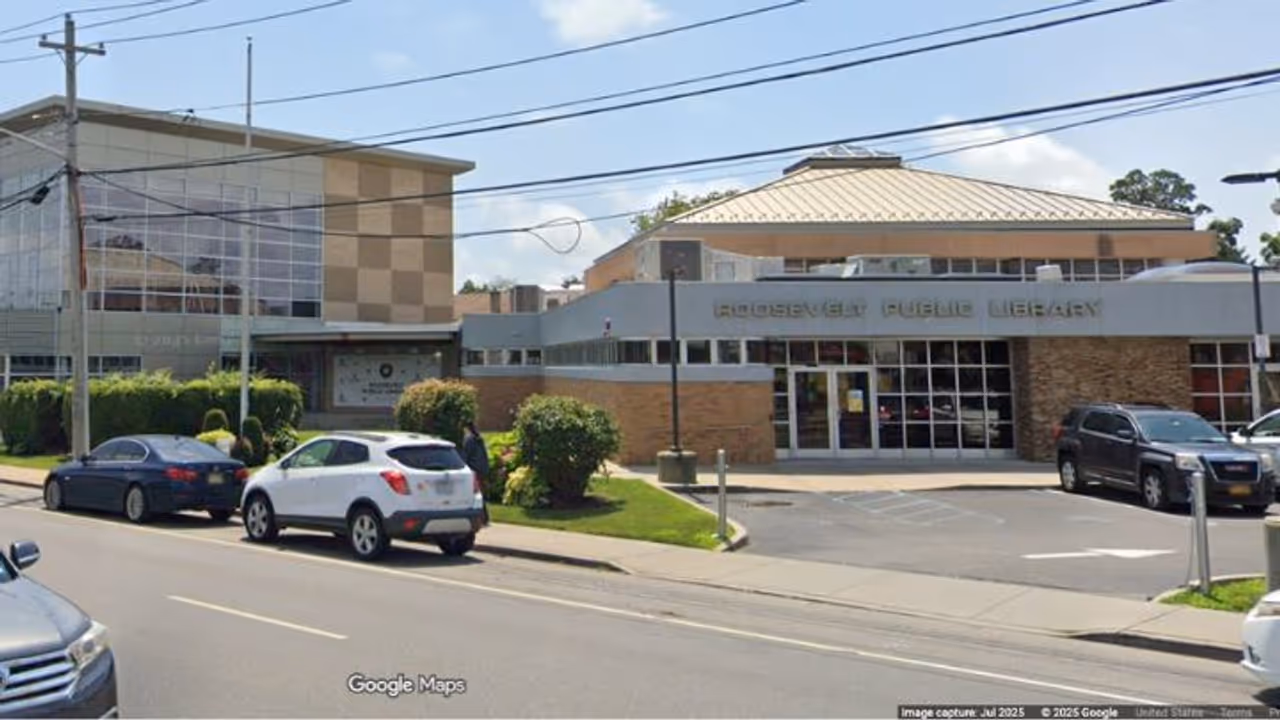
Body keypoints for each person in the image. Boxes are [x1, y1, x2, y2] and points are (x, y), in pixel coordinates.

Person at [461, 422, 490, 525]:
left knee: (476, 494)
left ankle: (483, 517)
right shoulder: (479, 439)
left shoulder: (469, 439)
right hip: (482, 469)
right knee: (480, 493)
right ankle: (484, 517)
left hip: (474, 469)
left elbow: (465, 455)